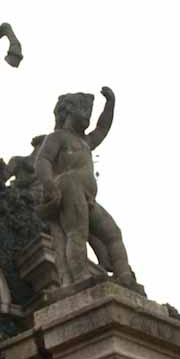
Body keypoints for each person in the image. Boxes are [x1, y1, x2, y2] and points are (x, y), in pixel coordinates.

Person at [34, 87, 136, 287]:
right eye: (83, 109)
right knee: (76, 232)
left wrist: (110, 104)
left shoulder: (86, 141)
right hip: (68, 187)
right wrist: (49, 184)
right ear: (68, 111)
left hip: (87, 196)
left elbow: (102, 128)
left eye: (89, 110)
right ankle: (80, 277)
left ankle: (125, 277)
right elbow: (43, 160)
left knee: (113, 233)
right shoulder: (58, 137)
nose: (87, 114)